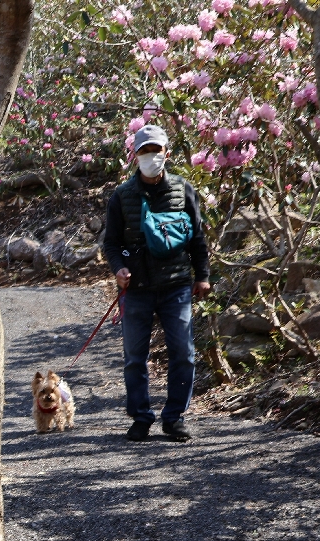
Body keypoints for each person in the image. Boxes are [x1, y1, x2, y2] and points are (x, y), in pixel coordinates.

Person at [102, 124, 211, 442]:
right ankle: (141, 417)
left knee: (183, 353)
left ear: (167, 153)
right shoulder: (121, 196)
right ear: (135, 155)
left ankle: (174, 417)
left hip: (176, 286)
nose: (151, 156)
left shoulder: (183, 189)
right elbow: (110, 243)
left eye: (156, 150)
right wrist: (118, 268)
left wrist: (202, 276)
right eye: (144, 151)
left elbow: (198, 237)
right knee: (135, 358)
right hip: (135, 291)